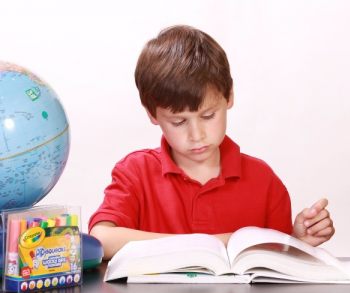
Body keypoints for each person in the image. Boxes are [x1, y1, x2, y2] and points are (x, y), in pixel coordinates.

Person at [89, 25, 335, 259]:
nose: (196, 135)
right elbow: (102, 238)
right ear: (153, 114)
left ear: (229, 97)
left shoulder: (264, 181)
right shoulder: (135, 172)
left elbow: (277, 259)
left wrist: (297, 241)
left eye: (208, 116)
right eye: (178, 122)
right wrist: (215, 242)